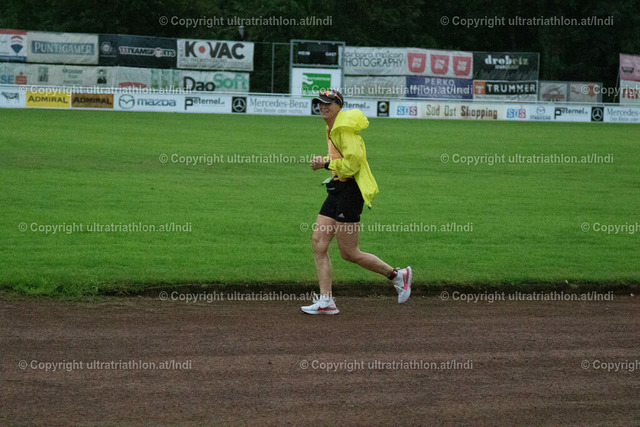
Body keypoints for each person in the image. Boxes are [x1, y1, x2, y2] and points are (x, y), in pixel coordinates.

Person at [301, 89, 412, 315]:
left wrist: (325, 164)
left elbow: (353, 165)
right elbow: (342, 159)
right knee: (318, 243)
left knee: (349, 252)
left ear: (338, 106)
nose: (322, 107)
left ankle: (398, 276)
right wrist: (327, 163)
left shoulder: (344, 129)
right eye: (320, 103)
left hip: (350, 192)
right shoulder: (333, 127)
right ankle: (326, 301)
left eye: (328, 103)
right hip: (337, 188)